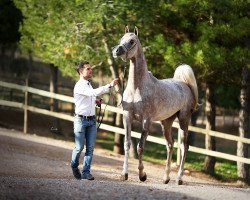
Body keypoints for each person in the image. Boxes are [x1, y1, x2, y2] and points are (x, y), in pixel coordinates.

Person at [71, 61, 118, 180]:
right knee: (79, 147)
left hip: (92, 121)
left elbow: (89, 97)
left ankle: (86, 172)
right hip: (80, 121)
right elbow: (92, 93)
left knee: (90, 148)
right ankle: (74, 165)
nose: (91, 70)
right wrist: (109, 85)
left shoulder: (88, 84)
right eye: (88, 69)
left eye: (91, 68)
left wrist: (95, 102)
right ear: (81, 72)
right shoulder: (80, 85)